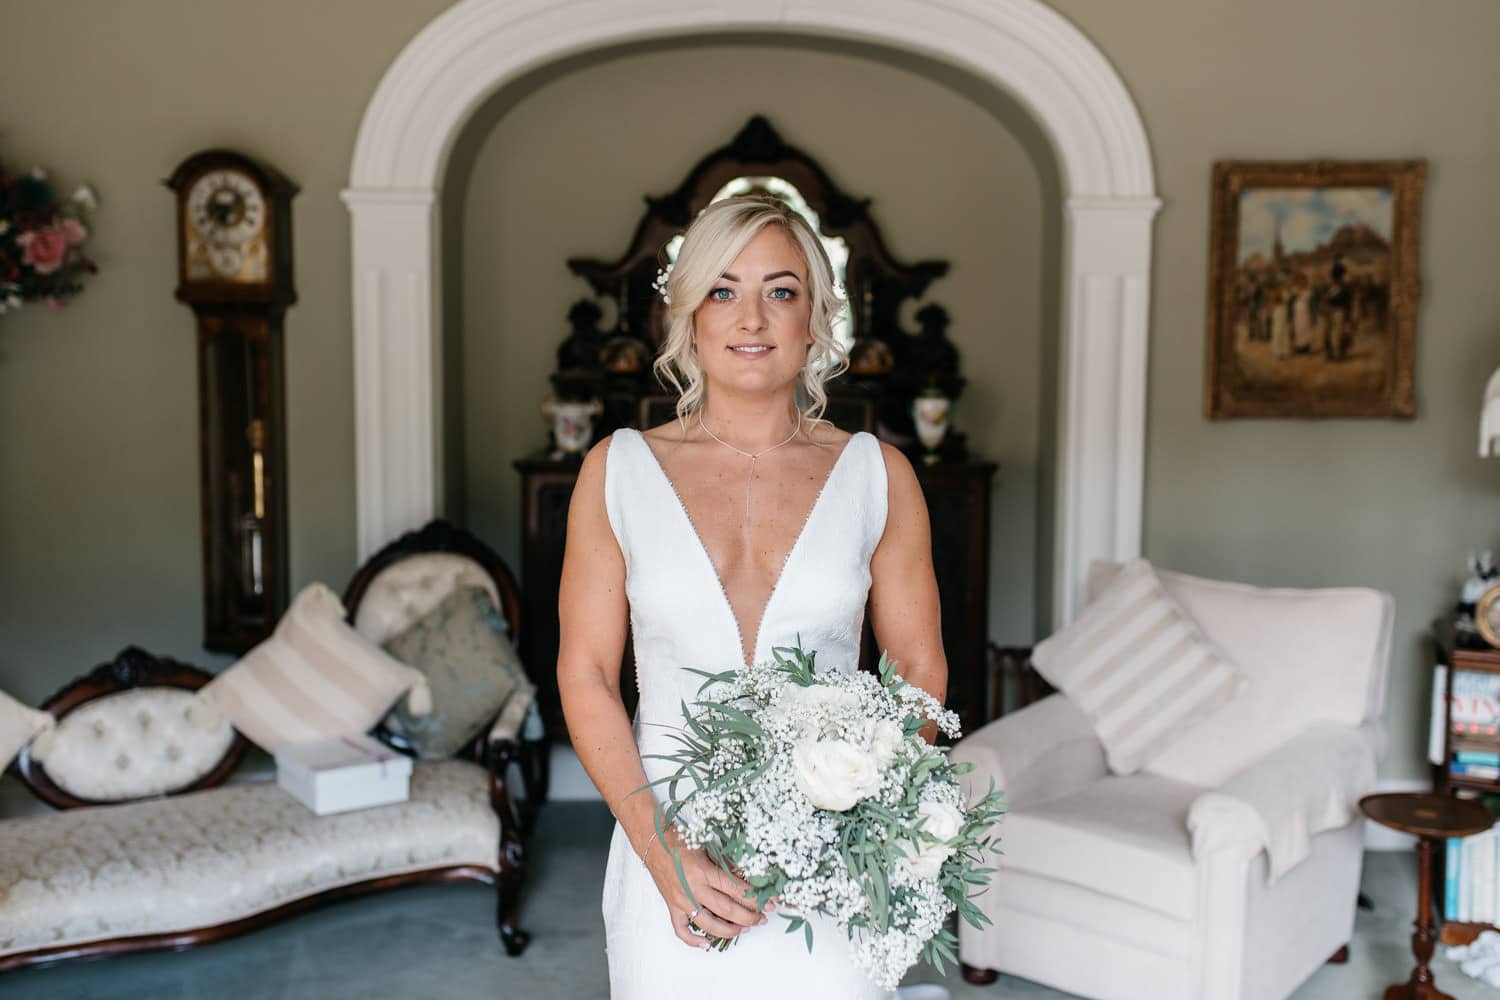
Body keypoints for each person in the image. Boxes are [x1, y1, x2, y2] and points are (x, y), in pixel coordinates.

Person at [556, 195, 947, 999]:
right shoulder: (616, 470)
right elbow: (586, 673)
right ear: (689, 311)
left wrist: (851, 819)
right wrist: (659, 849)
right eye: (724, 290)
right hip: (665, 830)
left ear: (815, 316)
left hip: (828, 852)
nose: (752, 319)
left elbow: (917, 667)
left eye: (781, 290)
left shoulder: (881, 476)